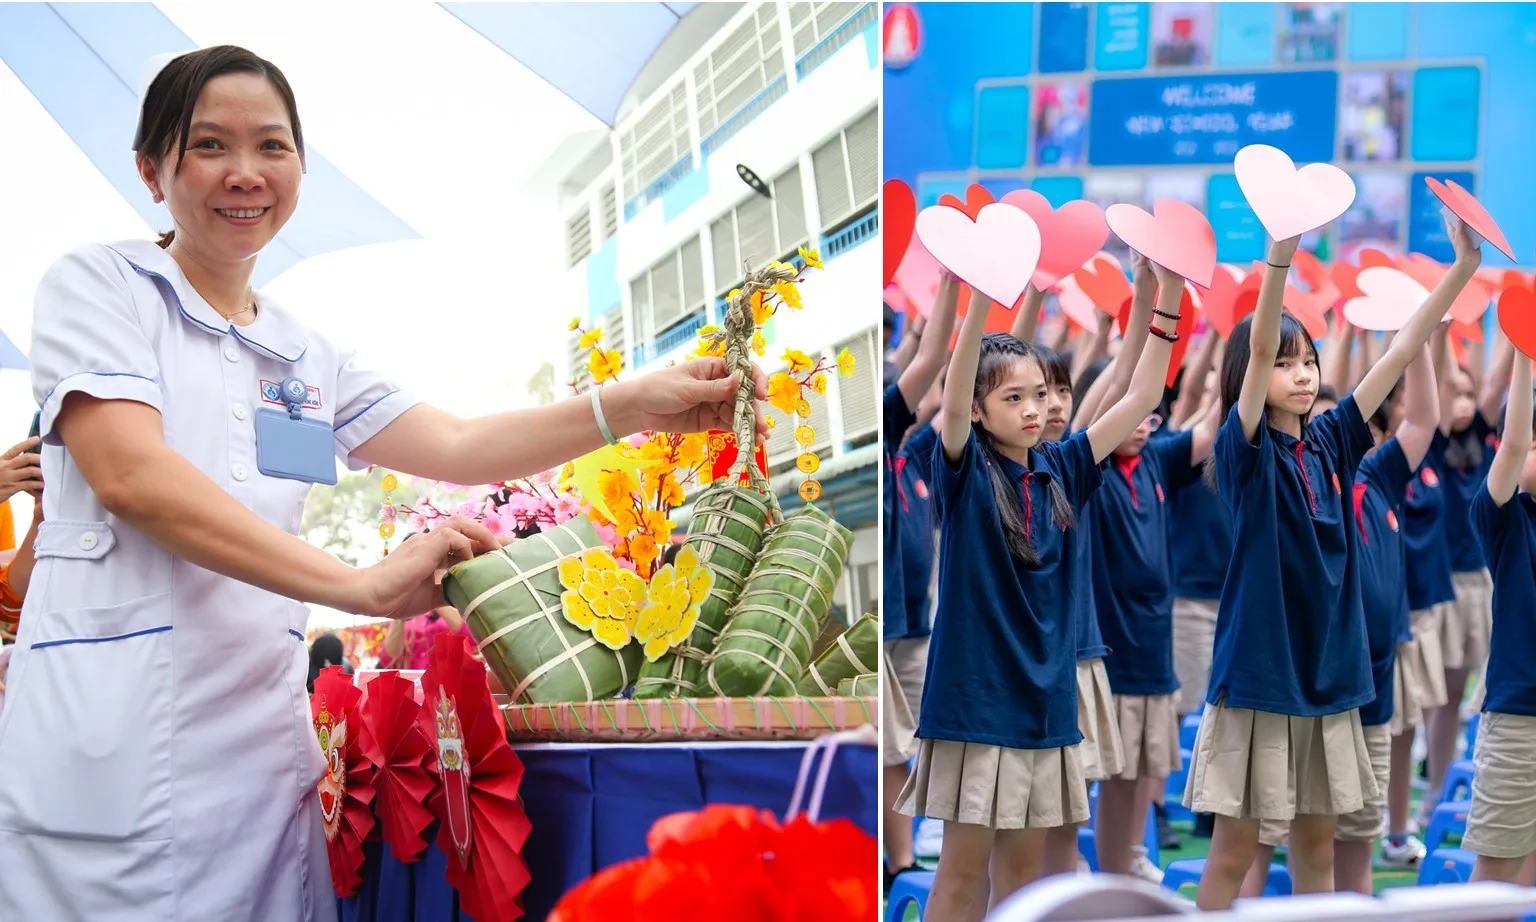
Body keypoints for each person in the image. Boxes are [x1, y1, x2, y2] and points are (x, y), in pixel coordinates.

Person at [0, 45, 767, 922]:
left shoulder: (306, 351)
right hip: (103, 765)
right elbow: (132, 475)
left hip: (256, 767)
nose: (245, 173)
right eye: (209, 145)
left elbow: (459, 440)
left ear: (299, 168)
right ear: (151, 169)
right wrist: (359, 588)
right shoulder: (98, 287)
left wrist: (630, 405)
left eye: (273, 147)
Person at [1187, 221, 1479, 910]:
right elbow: (1258, 347)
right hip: (1262, 680)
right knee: (1235, 848)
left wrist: (1462, 269)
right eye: (1287, 364)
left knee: (1316, 848)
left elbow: (1406, 348)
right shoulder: (1246, 452)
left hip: (1332, 679)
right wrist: (1281, 258)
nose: (1301, 372)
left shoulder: (1333, 443)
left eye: (1308, 361)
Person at [896, 257, 1186, 921]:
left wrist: (1167, 294)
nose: (1034, 409)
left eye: (1039, 395)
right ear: (974, 408)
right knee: (962, 874)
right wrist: (978, 298)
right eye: (1013, 398)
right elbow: (959, 380)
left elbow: (1140, 396)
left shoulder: (1065, 466)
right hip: (976, 702)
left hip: (1047, 703)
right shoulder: (962, 469)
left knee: (1022, 878)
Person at [1240, 347, 1439, 897]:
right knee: (1264, 833)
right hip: (1306, 686)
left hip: (1369, 685)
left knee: (1356, 834)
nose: (1322, 436)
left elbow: (1422, 418)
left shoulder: (1376, 476)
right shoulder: (1283, 479)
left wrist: (1421, 340)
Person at [1417, 331, 1516, 830]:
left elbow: (1497, 378)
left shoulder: (1483, 433)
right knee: (1449, 697)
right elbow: (1435, 381)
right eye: (1449, 393)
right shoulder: (1431, 441)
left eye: (1464, 393)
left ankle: (1485, 775)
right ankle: (1434, 790)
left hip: (1487, 577)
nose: (1458, 402)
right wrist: (1443, 331)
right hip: (1449, 584)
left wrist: (1514, 329)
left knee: (1489, 690)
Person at [882, 271, 957, 893]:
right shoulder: (883, 440)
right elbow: (930, 358)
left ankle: (904, 851)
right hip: (883, 627)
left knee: (913, 742)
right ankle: (897, 862)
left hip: (917, 621)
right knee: (888, 749)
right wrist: (957, 284)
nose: (923, 397)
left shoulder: (921, 456)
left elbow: (947, 381)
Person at [1465, 351, 1536, 884]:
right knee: (1496, 881)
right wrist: (1525, 355)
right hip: (1518, 720)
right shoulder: (1508, 521)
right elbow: (1510, 445)